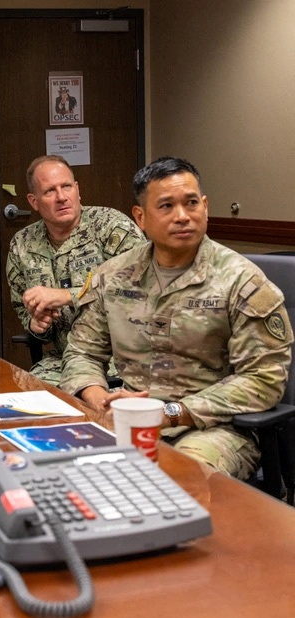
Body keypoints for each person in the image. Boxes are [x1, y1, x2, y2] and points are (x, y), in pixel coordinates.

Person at [60, 157, 293, 479]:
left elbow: (264, 379)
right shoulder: (113, 276)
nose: (182, 216)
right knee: (56, 469)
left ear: (206, 206)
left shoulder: (241, 281)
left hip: (215, 429)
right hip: (128, 418)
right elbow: (82, 351)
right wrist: (98, 398)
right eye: (166, 206)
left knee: (174, 480)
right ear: (140, 217)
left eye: (191, 203)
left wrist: (172, 413)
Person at [6, 155, 145, 384]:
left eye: (67, 187)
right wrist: (37, 324)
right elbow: (23, 309)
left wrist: (65, 296)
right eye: (50, 191)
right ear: (33, 201)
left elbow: (137, 290)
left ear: (77, 190)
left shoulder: (112, 227)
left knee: (99, 407)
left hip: (123, 360)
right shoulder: (22, 245)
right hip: (62, 360)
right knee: (28, 397)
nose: (61, 197)